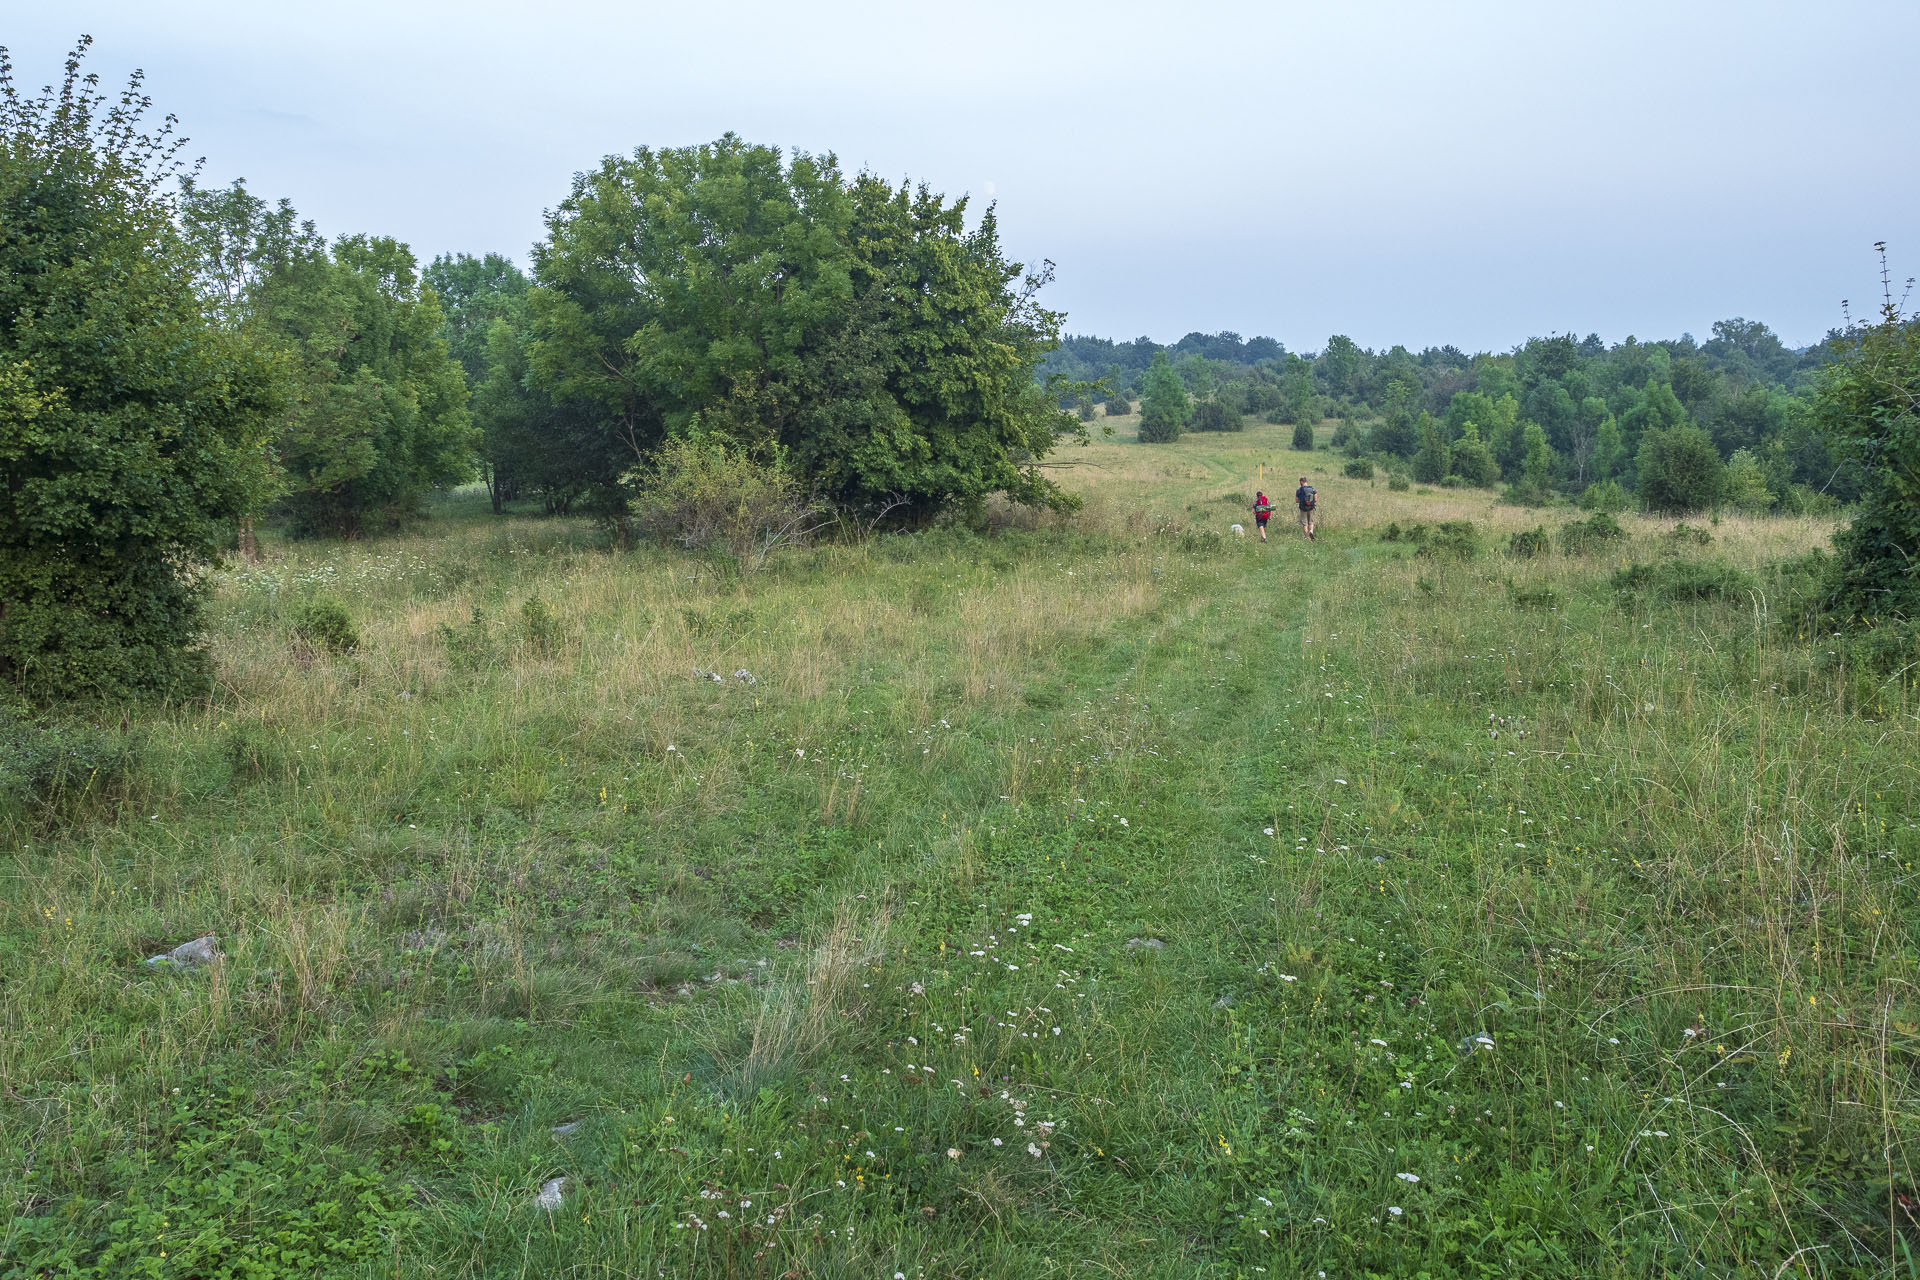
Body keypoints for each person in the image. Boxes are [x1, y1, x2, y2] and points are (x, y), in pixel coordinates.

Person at [1294, 475, 1317, 541]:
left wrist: (1302, 500)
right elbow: (1315, 500)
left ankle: (1307, 538)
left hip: (1303, 508)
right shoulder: (1312, 489)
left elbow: (1296, 501)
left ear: (1301, 482)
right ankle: (1311, 532)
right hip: (1311, 508)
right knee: (1311, 522)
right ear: (1306, 481)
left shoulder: (1299, 490)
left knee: (1305, 524)